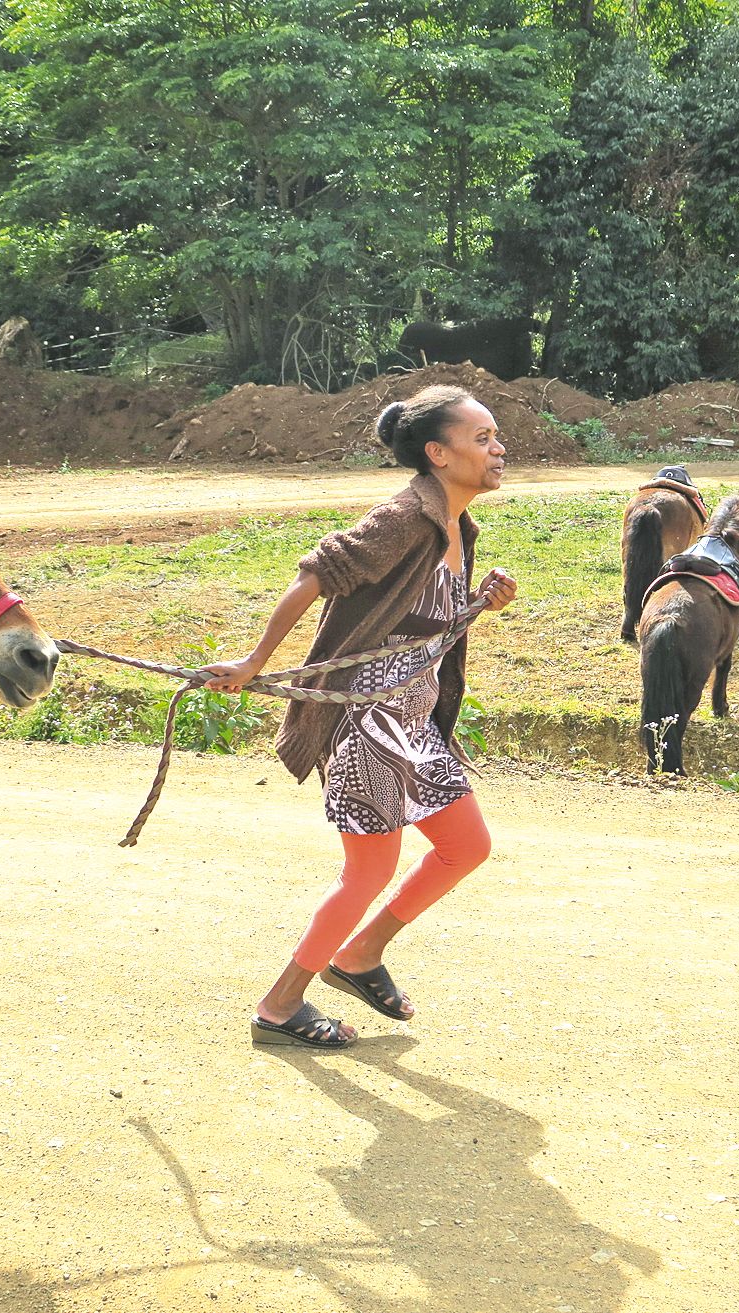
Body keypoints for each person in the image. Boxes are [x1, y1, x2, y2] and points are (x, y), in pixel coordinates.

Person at [201, 385, 519, 1048]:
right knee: (368, 870)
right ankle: (280, 1005)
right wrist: (255, 661)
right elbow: (315, 573)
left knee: (466, 846)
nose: (498, 449)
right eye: (482, 438)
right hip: (366, 718)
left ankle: (360, 953)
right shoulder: (406, 514)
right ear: (437, 453)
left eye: (495, 437)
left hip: (414, 720)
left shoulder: (456, 523)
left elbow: (415, 623)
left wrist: (476, 602)